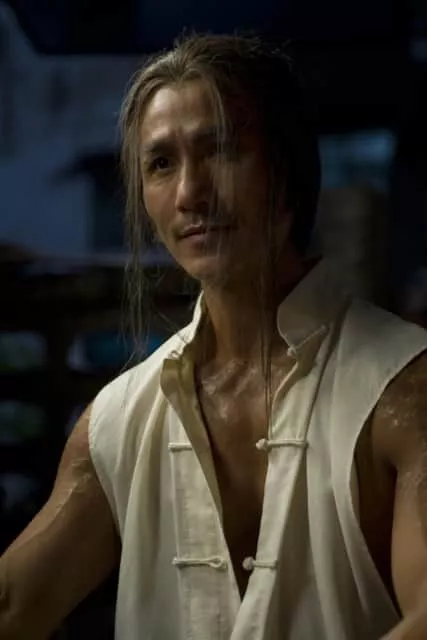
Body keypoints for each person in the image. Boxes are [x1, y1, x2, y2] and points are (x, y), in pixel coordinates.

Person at [1, 33, 427, 640]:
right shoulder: (119, 422)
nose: (190, 194)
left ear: (287, 168)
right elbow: (16, 603)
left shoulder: (402, 389)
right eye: (161, 164)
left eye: (220, 150)